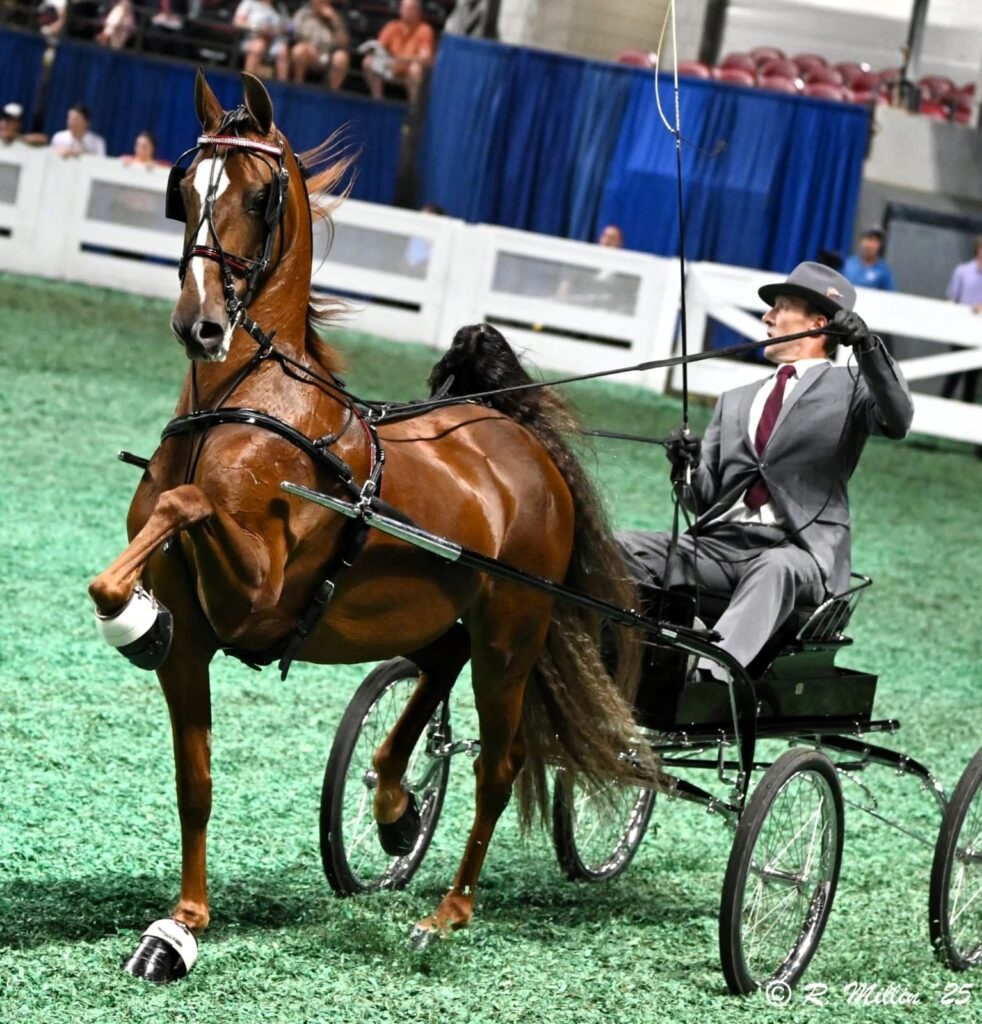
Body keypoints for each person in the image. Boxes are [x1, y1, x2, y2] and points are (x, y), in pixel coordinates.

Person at [619, 262, 913, 677]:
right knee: (619, 546)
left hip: (796, 551)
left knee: (774, 568)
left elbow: (898, 419)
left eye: (782, 307)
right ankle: (656, 649)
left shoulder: (852, 389)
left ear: (817, 324)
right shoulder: (734, 400)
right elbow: (703, 498)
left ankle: (711, 675)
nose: (767, 317)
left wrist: (868, 348)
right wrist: (686, 466)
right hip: (718, 546)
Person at [359, 0, 436, 104]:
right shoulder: (392, 26)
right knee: (368, 62)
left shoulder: (424, 30)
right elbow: (379, 47)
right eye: (403, 7)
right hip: (391, 68)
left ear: (417, 11)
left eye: (409, 8)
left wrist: (399, 59)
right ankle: (377, 101)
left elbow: (425, 59)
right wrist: (379, 55)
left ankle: (414, 107)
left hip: (409, 72)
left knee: (415, 69)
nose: (405, 11)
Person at [940, 236, 982, 403]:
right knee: (953, 375)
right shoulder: (963, 271)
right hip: (960, 330)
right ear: (977, 249)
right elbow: (952, 298)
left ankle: (966, 416)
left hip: (978, 335)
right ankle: (941, 408)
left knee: (972, 380)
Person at [290, 0, 350, 90]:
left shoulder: (336, 17)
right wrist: (306, 46)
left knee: (341, 57)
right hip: (307, 55)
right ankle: (298, 86)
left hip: (327, 57)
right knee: (299, 50)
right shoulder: (302, 14)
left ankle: (332, 93)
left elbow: (343, 43)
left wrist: (334, 20)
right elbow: (292, 33)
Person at [233, 0, 290, 82]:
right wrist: (257, 28)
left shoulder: (280, 7)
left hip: (273, 42)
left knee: (283, 50)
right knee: (259, 46)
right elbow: (237, 22)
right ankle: (248, 84)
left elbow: (288, 26)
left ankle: (282, 87)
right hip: (251, 39)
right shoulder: (249, 2)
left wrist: (279, 30)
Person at [841, 227, 896, 291]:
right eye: (868, 239)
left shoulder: (884, 270)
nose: (870, 245)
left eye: (875, 241)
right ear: (861, 241)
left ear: (880, 245)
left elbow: (890, 294)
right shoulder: (848, 264)